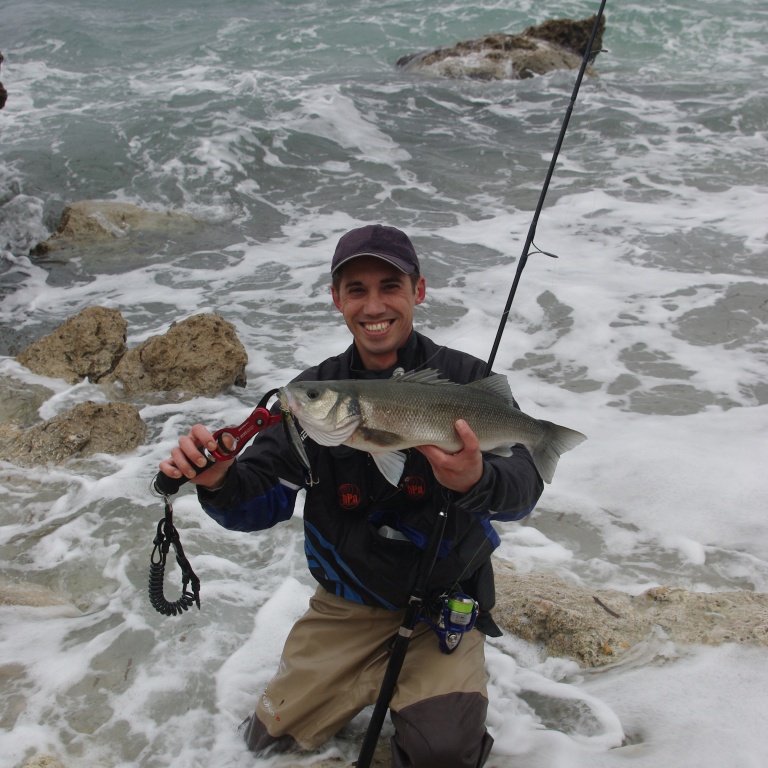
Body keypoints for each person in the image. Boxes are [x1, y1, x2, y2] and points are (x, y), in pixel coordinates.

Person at [159, 224, 544, 768]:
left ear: (419, 291)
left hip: (441, 613)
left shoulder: (464, 379)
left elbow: (522, 492)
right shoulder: (314, 393)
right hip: (346, 608)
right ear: (336, 299)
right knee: (262, 748)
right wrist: (219, 480)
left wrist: (477, 481)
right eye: (356, 289)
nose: (374, 305)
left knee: (444, 756)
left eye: (391, 285)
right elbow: (261, 503)